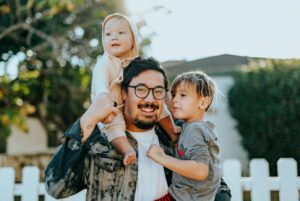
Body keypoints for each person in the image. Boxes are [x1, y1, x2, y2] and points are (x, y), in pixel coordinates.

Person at [45, 57, 231, 200]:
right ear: (124, 94)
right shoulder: (98, 139)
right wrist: (89, 117)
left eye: (158, 91)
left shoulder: (177, 134)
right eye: (141, 89)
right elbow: (55, 187)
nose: (150, 99)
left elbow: (215, 182)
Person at [91, 13, 179, 165]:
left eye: (121, 33)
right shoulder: (105, 63)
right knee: (114, 127)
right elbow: (100, 85)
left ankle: (172, 130)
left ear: (133, 40)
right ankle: (127, 150)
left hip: (130, 104)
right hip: (110, 108)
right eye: (108, 34)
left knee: (159, 106)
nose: (114, 37)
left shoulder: (136, 63)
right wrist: (105, 107)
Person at [147, 71, 221, 201]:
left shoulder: (195, 130)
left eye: (183, 95)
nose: (174, 100)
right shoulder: (194, 128)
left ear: (203, 102)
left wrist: (161, 157)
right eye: (174, 95)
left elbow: (200, 170)